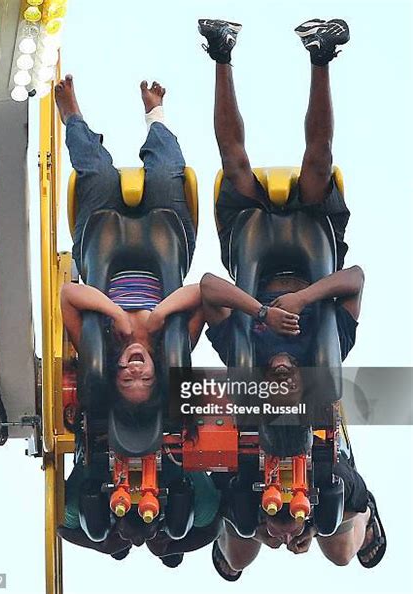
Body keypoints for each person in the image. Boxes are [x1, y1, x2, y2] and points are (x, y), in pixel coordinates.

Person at [197, 17, 386, 578]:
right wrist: (303, 302)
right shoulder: (328, 355)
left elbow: (208, 287)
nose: (281, 373)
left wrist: (258, 311)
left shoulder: (243, 354)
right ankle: (321, 54)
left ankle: (220, 52)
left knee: (235, 164)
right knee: (317, 164)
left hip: (254, 246)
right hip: (310, 245)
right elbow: (353, 278)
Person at [55, 75, 204, 408]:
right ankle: (156, 115)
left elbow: (68, 294)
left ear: (115, 372)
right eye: (145, 379)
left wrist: (116, 315)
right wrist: (161, 312)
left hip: (101, 239)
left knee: (97, 172)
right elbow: (203, 293)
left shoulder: (101, 346)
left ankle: (72, 118)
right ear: (157, 373)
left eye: (126, 378)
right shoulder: (173, 345)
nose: (135, 369)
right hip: (164, 238)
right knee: (167, 173)